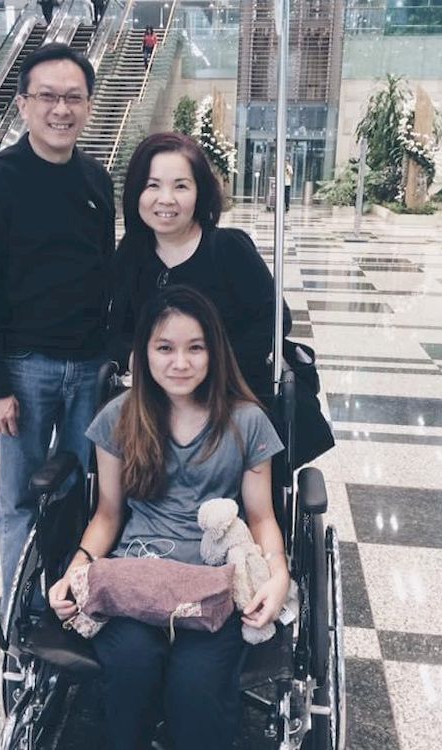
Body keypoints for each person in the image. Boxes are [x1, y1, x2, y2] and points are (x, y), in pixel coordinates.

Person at [49, 285, 290, 750]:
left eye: (194, 348)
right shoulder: (119, 417)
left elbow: (261, 518)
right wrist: (75, 571)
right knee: (132, 668)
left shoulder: (247, 421)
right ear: (143, 354)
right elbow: (107, 514)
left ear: (214, 352)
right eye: (165, 348)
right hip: (135, 575)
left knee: (197, 686)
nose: (180, 363)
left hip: (215, 581)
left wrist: (277, 577)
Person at [0, 43, 114, 614]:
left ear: (88, 106)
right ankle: (19, 617)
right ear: (23, 105)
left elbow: (106, 273)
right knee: (20, 498)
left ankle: (66, 604)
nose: (61, 109)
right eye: (47, 96)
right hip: (25, 371)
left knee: (79, 495)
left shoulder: (97, 181)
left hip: (89, 367)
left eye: (73, 97)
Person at [108, 131, 289, 401]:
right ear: (136, 192)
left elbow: (276, 321)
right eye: (152, 185)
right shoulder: (131, 253)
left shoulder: (229, 249)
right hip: (158, 407)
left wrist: (212, 368)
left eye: (181, 186)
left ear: (199, 192)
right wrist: (135, 359)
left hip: (230, 402)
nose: (166, 199)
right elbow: (117, 332)